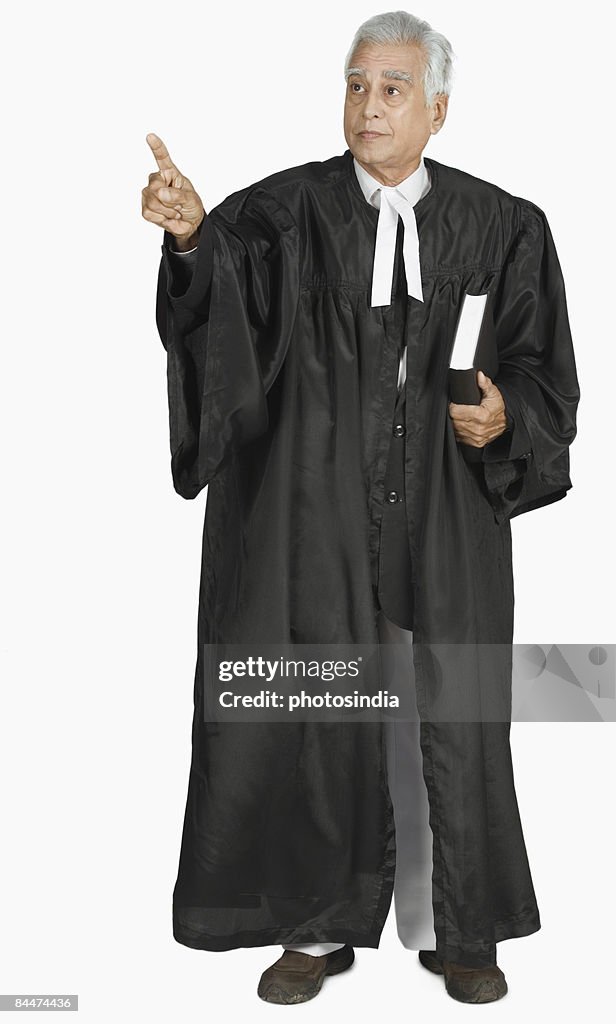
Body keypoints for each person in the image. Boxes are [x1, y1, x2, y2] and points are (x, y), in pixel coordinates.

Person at [141, 9, 579, 1006]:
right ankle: (316, 922)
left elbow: (544, 375)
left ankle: (461, 927)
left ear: (438, 109)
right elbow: (217, 322)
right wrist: (192, 239)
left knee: (454, 711)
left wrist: (507, 417)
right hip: (312, 511)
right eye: (354, 85)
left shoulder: (503, 227)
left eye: (390, 88)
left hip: (445, 513)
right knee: (315, 698)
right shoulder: (277, 217)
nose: (367, 106)